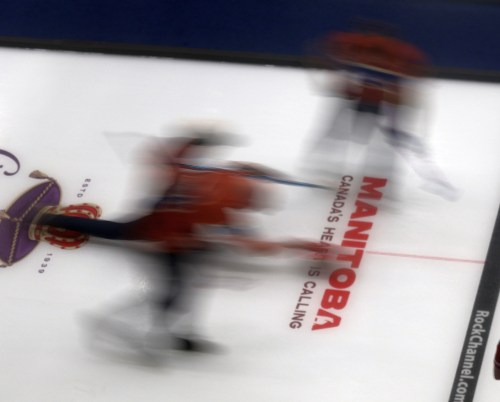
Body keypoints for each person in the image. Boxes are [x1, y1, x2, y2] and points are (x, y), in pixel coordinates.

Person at [32, 131, 328, 358]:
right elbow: (252, 246)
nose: (249, 212)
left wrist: (199, 139)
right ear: (241, 201)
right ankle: (127, 324)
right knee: (167, 281)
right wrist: (299, 246)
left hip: (167, 208)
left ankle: (178, 335)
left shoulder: (228, 177)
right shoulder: (219, 212)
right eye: (249, 207)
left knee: (135, 242)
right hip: (162, 239)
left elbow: (239, 167)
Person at [308, 19, 457, 200]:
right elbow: (418, 83)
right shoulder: (404, 52)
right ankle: (377, 182)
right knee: (375, 142)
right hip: (376, 100)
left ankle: (328, 172)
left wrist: (326, 77)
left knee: (340, 133)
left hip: (370, 99)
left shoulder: (350, 42)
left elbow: (320, 50)